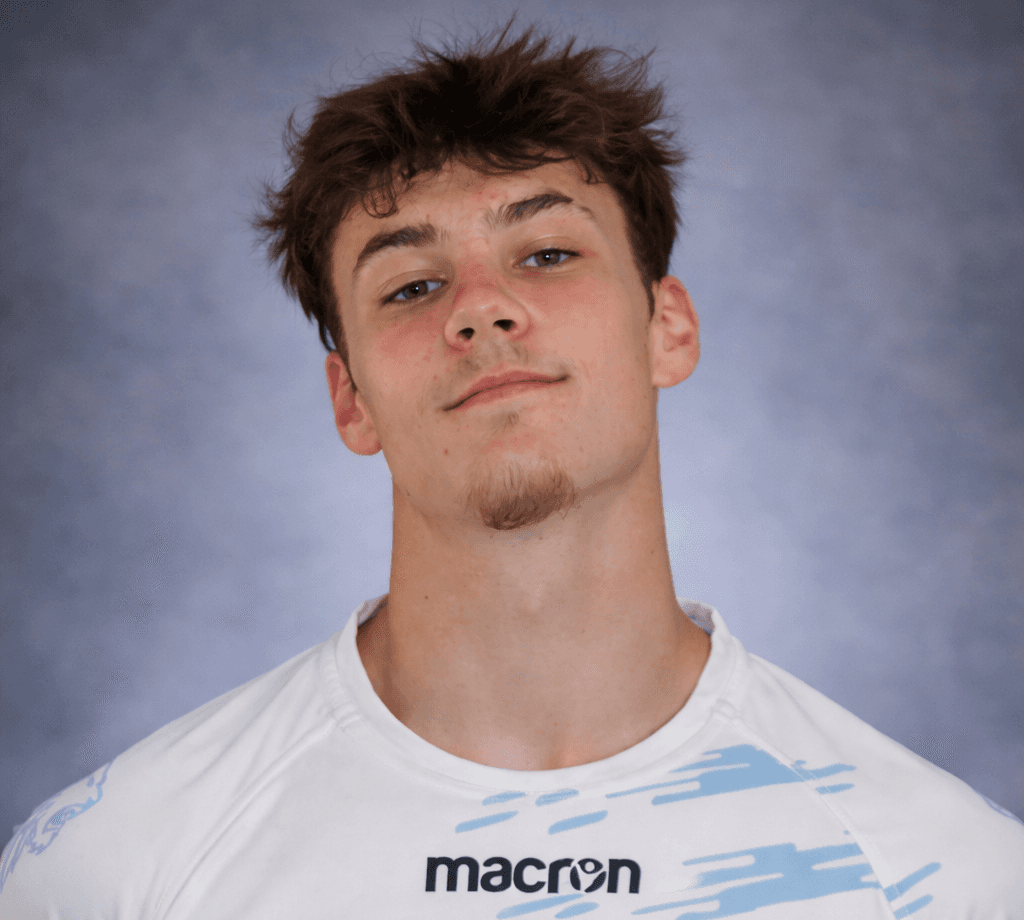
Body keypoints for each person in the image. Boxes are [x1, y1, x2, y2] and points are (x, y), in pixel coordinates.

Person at [2, 18, 1021, 919]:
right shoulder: (121, 868)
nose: (481, 308)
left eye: (545, 254)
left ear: (667, 326)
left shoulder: (939, 873)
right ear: (349, 398)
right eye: (411, 282)